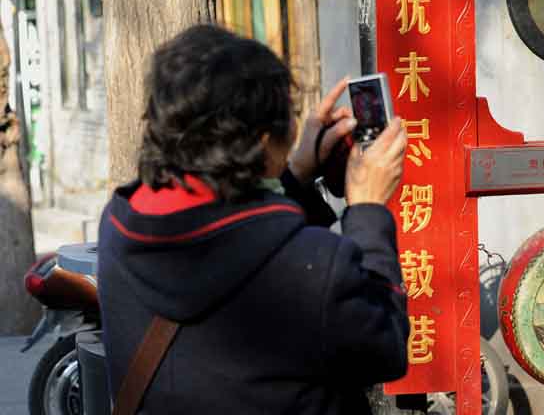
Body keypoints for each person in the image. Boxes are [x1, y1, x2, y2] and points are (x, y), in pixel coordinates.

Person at [97, 24, 410, 414]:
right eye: (290, 117)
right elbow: (385, 349)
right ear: (264, 142)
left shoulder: (120, 223)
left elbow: (249, 237)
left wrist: (293, 174)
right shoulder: (314, 265)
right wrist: (368, 210)